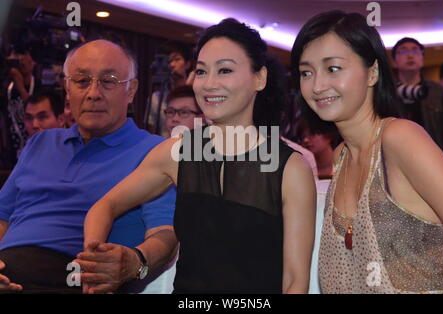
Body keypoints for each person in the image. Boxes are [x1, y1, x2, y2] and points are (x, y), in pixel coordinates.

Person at [82, 18, 316, 294]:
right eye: (201, 72)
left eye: (225, 70)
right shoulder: (179, 152)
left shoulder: (290, 168)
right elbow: (104, 206)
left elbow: (294, 282)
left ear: (260, 78)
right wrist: (94, 264)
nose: (208, 84)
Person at [0, 39, 177, 294]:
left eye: (108, 81)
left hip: (80, 278)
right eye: (82, 81)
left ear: (131, 91)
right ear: (67, 88)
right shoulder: (41, 142)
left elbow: (164, 233)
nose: (94, 93)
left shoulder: (154, 150)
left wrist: (136, 262)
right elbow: (3, 217)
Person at [291, 10, 443, 293]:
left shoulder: (400, 139)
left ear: (372, 72)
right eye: (306, 72)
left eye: (333, 68)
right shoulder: (340, 155)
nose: (317, 86)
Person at [392, 37, 443, 158]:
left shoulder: (437, 91)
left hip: (433, 155)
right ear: (394, 62)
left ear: (422, 59)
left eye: (415, 51)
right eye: (403, 51)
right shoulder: (387, 91)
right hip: (397, 156)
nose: (410, 56)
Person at [148, 40, 195, 137]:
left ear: (187, 64)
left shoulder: (196, 93)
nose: (172, 65)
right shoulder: (156, 97)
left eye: (177, 59)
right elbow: (152, 130)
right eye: (168, 61)